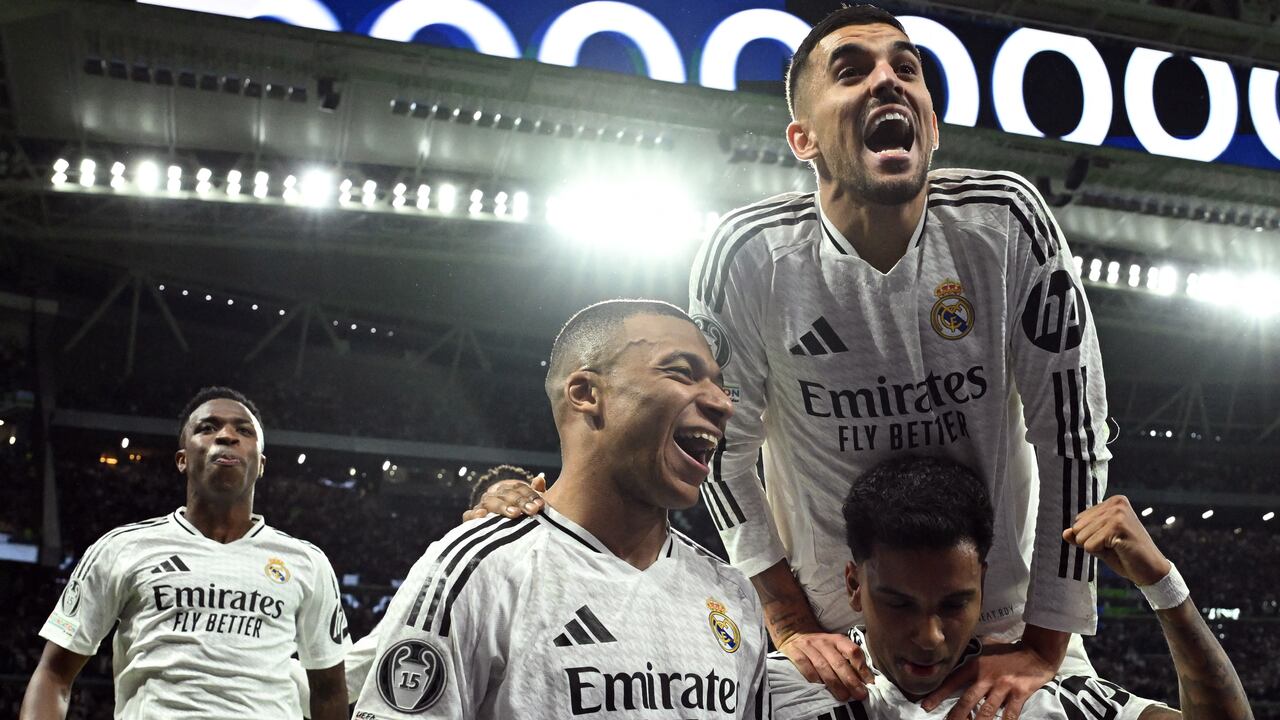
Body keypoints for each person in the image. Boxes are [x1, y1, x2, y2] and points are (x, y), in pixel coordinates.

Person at [683, 5, 1111, 717]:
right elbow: (718, 454)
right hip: (835, 643)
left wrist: (1045, 641)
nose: (888, 81)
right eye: (852, 71)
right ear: (804, 138)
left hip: (1002, 633)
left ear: (932, 128)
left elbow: (1072, 437)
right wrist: (787, 620)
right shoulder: (750, 254)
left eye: (906, 69)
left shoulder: (1006, 222)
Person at [351, 300, 769, 718]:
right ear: (587, 394)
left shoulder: (733, 595)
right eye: (682, 372)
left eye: (719, 383)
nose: (723, 403)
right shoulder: (478, 570)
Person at [769, 456, 1254, 720]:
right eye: (898, 603)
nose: (930, 636)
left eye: (955, 603)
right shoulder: (779, 685)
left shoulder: (1043, 700)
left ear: (982, 583)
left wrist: (1163, 586)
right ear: (854, 585)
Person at [21, 387, 350, 720]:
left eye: (244, 430)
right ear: (182, 459)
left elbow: (330, 691)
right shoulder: (121, 548)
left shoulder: (308, 562)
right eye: (207, 428)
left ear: (261, 464)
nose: (226, 436)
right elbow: (54, 675)